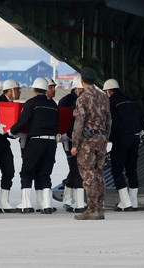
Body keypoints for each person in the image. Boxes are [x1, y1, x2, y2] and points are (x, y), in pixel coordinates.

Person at [5, 77, 59, 214]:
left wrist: (11, 131)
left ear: (34, 89)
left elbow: (23, 122)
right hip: (51, 142)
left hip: (35, 141)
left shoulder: (31, 103)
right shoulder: (54, 105)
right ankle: (46, 205)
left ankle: (26, 203)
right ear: (46, 89)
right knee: (45, 173)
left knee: (27, 172)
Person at [71, 68, 111, 220]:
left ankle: (92, 209)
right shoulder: (103, 96)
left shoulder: (83, 98)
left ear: (82, 81)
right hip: (101, 139)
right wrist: (105, 138)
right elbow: (109, 120)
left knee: (88, 173)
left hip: (87, 141)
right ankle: (100, 208)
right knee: (99, 173)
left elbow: (79, 123)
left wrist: (75, 144)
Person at [103, 78, 144, 212]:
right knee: (131, 169)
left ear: (109, 91)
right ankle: (134, 202)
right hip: (135, 139)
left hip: (121, 139)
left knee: (117, 170)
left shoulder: (112, 103)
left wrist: (108, 137)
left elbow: (113, 123)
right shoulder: (132, 101)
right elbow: (143, 120)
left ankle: (125, 202)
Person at [58, 75, 86, 213]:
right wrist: (65, 135)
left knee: (76, 168)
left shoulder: (84, 100)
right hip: (68, 140)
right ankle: (76, 201)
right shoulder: (66, 101)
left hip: (81, 139)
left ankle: (68, 197)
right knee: (75, 168)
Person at [0, 79, 21, 213]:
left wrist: (14, 133)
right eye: (18, 89)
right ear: (10, 90)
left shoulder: (13, 105)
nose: (20, 91)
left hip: (4, 142)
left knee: (9, 171)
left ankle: (4, 201)